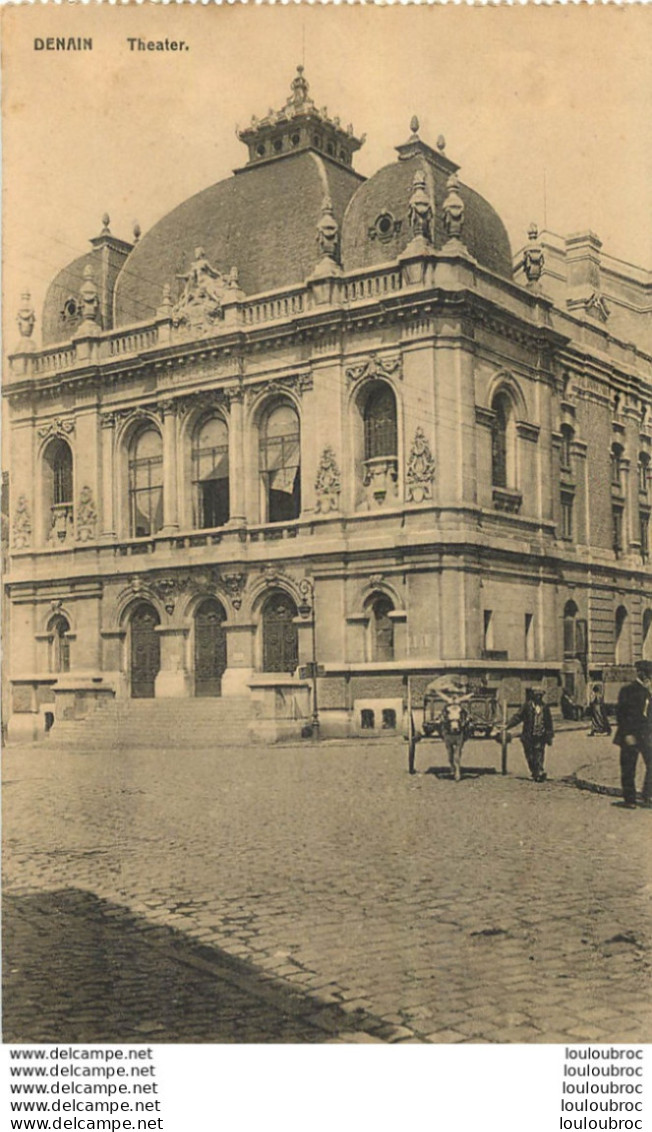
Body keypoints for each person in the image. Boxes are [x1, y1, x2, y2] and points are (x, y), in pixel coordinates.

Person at [613, 660, 652, 809]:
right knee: (629, 768)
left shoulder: (649, 691)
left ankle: (647, 794)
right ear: (640, 673)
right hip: (629, 735)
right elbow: (621, 715)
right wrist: (627, 733)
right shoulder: (627, 690)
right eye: (648, 673)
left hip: (645, 735)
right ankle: (629, 799)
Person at [506, 688, 554, 782]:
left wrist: (549, 735)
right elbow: (518, 717)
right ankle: (534, 771)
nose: (538, 697)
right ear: (533, 696)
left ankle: (539, 771)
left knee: (539, 753)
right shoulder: (527, 706)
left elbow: (549, 723)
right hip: (528, 736)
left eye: (540, 695)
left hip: (541, 735)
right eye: (537, 695)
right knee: (530, 755)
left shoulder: (545, 707)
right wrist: (508, 726)